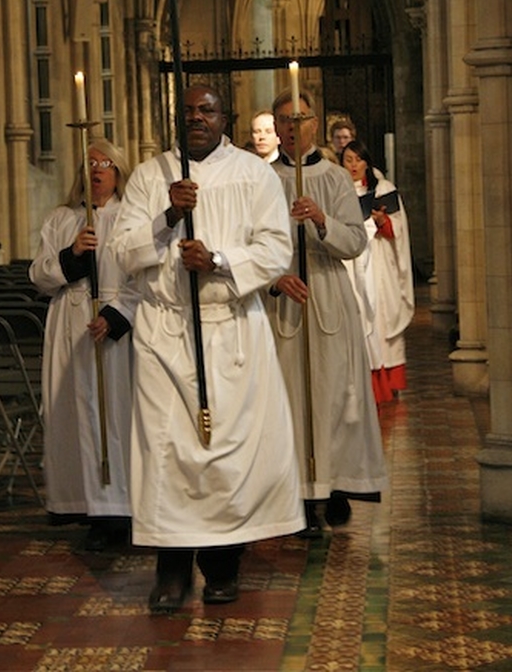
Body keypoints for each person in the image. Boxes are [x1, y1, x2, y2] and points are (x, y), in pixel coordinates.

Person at [111, 84, 304, 613]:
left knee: (226, 455)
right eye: (189, 111)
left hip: (231, 328)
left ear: (226, 117)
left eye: (207, 110)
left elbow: (274, 251)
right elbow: (123, 251)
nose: (197, 118)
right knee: (166, 455)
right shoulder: (154, 175)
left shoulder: (254, 173)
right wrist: (169, 216)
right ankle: (171, 572)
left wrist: (216, 260)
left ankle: (222, 566)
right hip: (164, 331)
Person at [269, 88, 388, 535]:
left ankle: (336, 485)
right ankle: (298, 494)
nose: (292, 128)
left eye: (300, 119)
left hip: (327, 293)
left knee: (336, 395)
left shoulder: (336, 178)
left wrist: (321, 220)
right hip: (284, 300)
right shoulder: (261, 178)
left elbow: (355, 242)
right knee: (290, 396)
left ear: (314, 125)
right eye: (283, 120)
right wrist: (273, 277)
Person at [29, 139, 140, 552]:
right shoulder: (61, 218)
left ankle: (122, 506)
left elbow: (142, 274)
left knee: (115, 415)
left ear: (119, 171)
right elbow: (39, 276)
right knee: (75, 417)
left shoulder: (131, 216)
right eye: (90, 162)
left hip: (113, 329)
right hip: (69, 326)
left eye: (106, 163)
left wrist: (115, 315)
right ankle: (88, 507)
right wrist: (72, 253)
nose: (97, 170)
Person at [341, 140, 414, 403]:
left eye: (358, 160)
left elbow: (399, 229)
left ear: (367, 162)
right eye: (348, 160)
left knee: (381, 317)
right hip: (351, 264)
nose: (353, 165)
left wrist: (383, 222)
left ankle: (387, 380)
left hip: (380, 262)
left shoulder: (383, 189)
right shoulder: (339, 190)